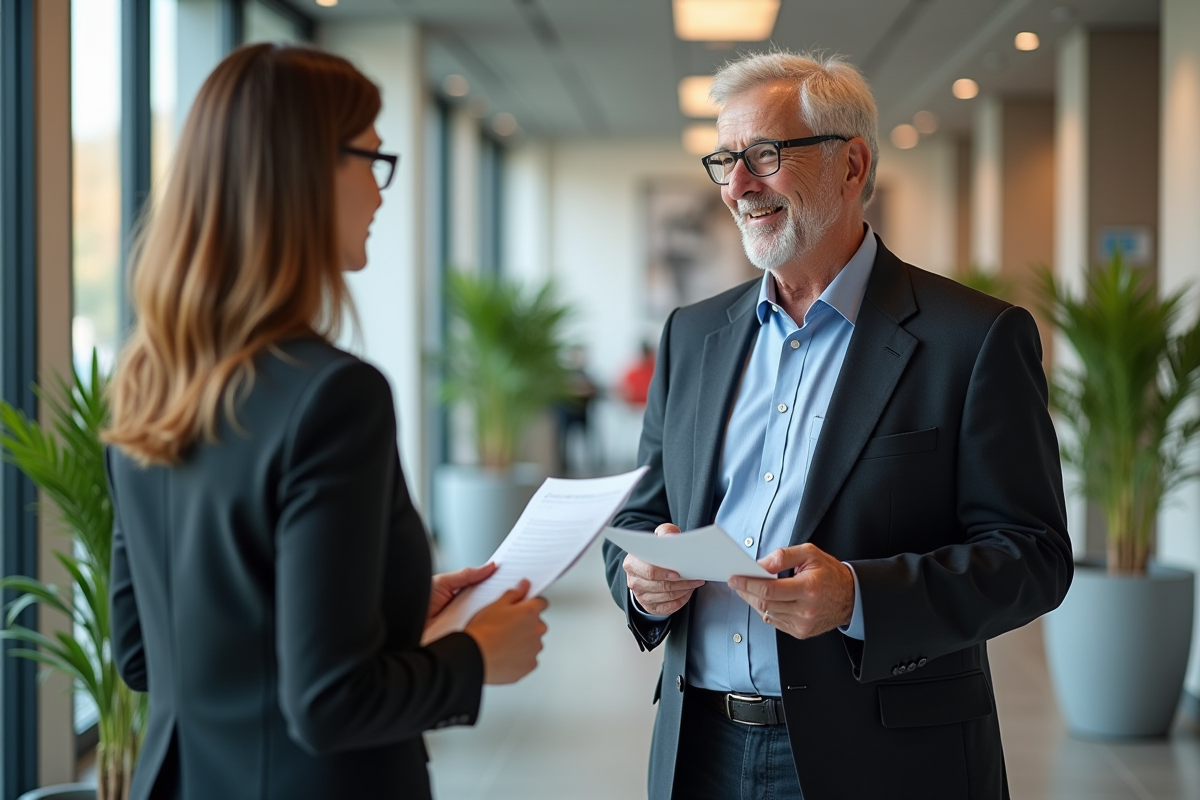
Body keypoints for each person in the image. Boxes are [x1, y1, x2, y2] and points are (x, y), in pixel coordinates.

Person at [602, 50, 1072, 800]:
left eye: (764, 154)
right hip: (699, 751)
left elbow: (1033, 556)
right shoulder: (692, 335)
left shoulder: (972, 338)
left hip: (885, 759)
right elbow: (637, 515)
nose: (737, 185)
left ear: (851, 165)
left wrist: (858, 596)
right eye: (724, 160)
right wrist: (641, 583)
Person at [103, 44, 548, 800]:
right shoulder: (335, 396)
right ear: (303, 172)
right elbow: (328, 703)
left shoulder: (149, 386)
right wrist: (475, 657)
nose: (380, 193)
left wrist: (384, 609)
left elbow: (148, 654)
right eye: (371, 159)